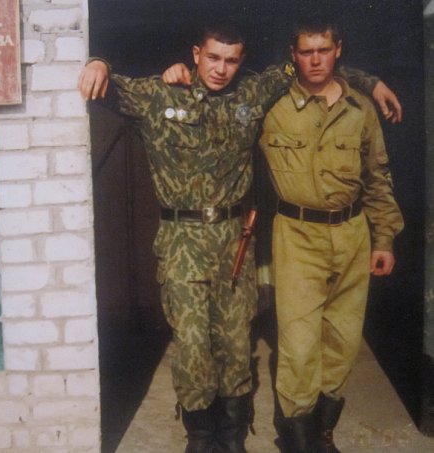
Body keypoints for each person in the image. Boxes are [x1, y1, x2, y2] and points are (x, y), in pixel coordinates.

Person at [79, 19, 400, 453]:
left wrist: (371, 82)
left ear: (242, 61)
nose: (221, 69)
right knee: (192, 345)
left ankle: (232, 437)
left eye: (231, 60)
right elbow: (108, 87)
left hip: (235, 239)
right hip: (182, 240)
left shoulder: (253, 92)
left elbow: (314, 67)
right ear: (196, 54)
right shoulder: (161, 94)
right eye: (212, 57)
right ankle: (200, 436)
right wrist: (97, 61)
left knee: (235, 345)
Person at [257, 15, 404, 453]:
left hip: (353, 235)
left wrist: (384, 238)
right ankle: (297, 441)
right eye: (306, 52)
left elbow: (377, 177)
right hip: (297, 234)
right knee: (299, 345)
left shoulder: (361, 109)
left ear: (338, 50)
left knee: (342, 343)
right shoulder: (272, 104)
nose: (316, 60)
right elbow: (224, 85)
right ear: (293, 55)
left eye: (324, 50)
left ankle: (322, 434)